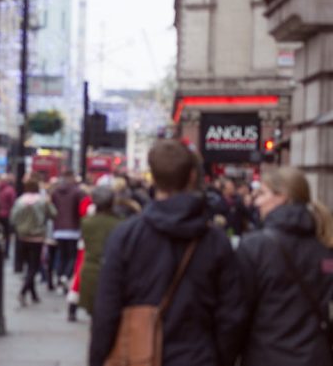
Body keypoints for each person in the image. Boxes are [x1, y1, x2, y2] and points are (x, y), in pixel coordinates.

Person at [89, 140, 244, 366]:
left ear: (153, 176)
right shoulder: (215, 241)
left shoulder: (126, 236)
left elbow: (106, 310)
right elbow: (232, 314)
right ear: (192, 176)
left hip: (139, 356)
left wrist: (98, 358)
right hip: (198, 357)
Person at [236, 167, 333, 366]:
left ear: (282, 197)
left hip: (265, 357)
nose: (256, 201)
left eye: (262, 193)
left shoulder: (254, 247)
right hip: (315, 357)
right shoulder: (324, 250)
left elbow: (238, 313)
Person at [70, 186, 121, 320]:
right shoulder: (118, 223)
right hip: (112, 272)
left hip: (90, 270)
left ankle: (73, 308)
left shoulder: (87, 222)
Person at [10, 179, 57, 307]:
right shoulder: (42, 201)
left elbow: (13, 218)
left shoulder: (20, 201)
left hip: (22, 236)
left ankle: (33, 294)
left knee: (28, 266)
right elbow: (54, 214)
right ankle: (23, 291)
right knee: (34, 267)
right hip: (37, 237)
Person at [50, 170, 86, 291]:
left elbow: (52, 209)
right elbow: (82, 209)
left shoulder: (55, 192)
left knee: (62, 255)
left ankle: (60, 278)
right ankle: (66, 276)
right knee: (72, 256)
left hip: (58, 228)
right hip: (73, 229)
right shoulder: (77, 192)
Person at [0, 173, 16, 259]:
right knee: (7, 235)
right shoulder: (10, 190)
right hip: (6, 215)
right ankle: (5, 252)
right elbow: (13, 203)